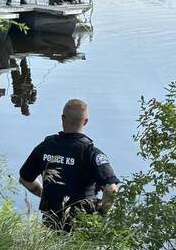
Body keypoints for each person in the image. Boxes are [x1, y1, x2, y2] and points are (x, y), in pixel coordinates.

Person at [19, 99, 120, 231]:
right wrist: (102, 213)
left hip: (52, 222)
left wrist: (46, 196)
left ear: (62, 118)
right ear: (86, 121)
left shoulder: (45, 147)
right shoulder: (91, 153)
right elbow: (112, 190)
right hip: (83, 225)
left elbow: (25, 179)